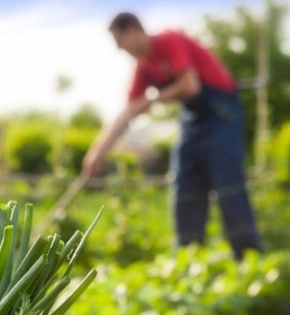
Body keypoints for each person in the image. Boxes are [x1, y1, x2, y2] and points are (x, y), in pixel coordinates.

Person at [81, 12, 262, 259]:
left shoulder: (169, 41)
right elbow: (128, 111)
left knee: (228, 188)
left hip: (222, 115)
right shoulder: (143, 67)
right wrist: (97, 153)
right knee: (185, 188)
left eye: (119, 41)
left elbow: (190, 85)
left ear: (131, 30)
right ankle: (189, 262)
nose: (119, 48)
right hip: (193, 121)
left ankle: (249, 261)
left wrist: (153, 98)